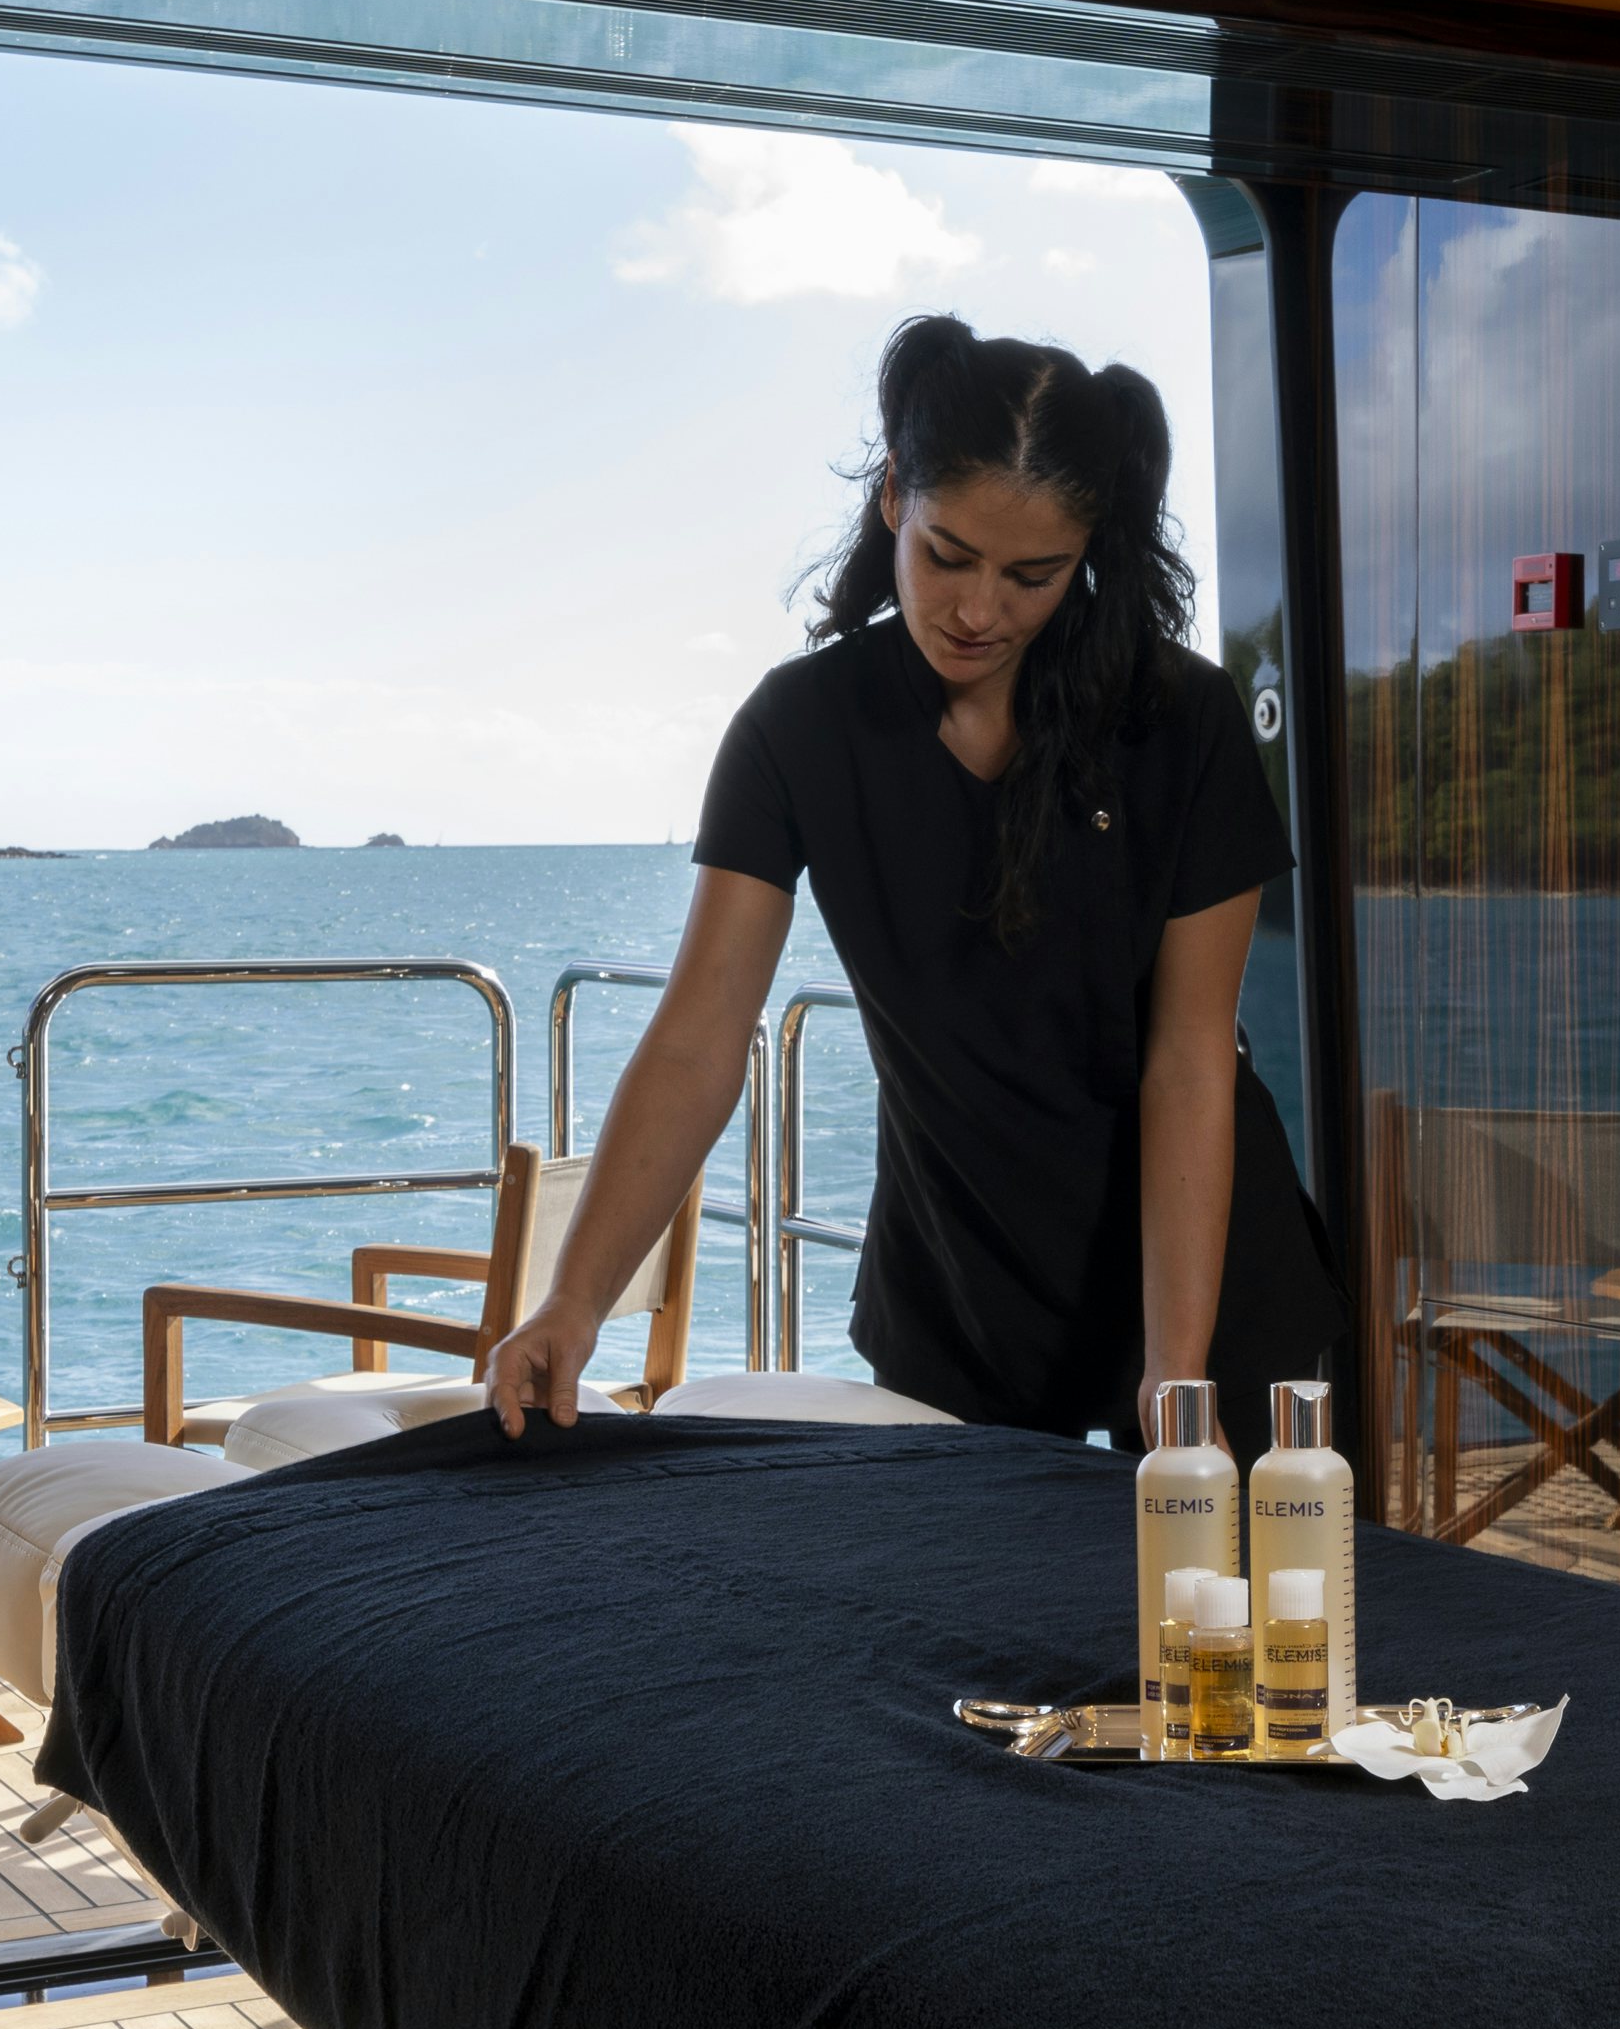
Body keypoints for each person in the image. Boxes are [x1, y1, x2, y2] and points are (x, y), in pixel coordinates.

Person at [491, 314, 1338, 1439]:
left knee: (1226, 1617)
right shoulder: (799, 730)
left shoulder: (1180, 721)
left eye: (1036, 575)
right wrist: (570, 1304)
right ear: (895, 494)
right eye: (948, 556)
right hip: (956, 1301)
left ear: (1090, 552)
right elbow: (700, 1039)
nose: (981, 610)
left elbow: (1190, 1060)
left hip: (1198, 1287)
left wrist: (1174, 1375)